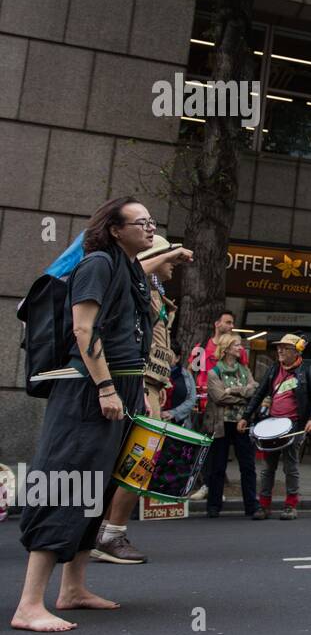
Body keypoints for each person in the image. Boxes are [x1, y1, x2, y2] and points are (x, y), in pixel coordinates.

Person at [12, 197, 156, 632]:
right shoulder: (97, 263)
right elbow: (83, 329)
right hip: (89, 390)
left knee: (96, 488)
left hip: (121, 387)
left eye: (152, 222)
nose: (150, 228)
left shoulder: (129, 267)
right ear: (115, 228)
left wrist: (136, 391)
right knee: (65, 481)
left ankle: (72, 589)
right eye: (142, 222)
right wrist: (108, 387)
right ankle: (28, 605)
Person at [90, 233, 191, 566]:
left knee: (134, 462)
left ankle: (101, 531)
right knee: (140, 462)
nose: (174, 266)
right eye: (169, 259)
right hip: (138, 386)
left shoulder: (156, 291)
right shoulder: (137, 286)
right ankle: (110, 533)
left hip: (150, 385)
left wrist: (159, 383)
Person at [237, 334, 311, 521]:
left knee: (290, 468)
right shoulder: (274, 368)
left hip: (294, 426)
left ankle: (290, 506)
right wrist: (246, 416)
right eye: (279, 348)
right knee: (267, 468)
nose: (280, 351)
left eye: (285, 348)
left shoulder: (307, 371)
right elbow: (259, 394)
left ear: (296, 351)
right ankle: (264, 506)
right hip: (271, 425)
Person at [202, 333, 259, 517]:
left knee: (248, 466)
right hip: (221, 423)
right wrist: (243, 397)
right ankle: (213, 505)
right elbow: (219, 397)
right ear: (226, 349)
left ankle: (251, 505)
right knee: (217, 466)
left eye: (240, 345)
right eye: (236, 345)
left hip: (242, 423)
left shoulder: (245, 370)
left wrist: (233, 390)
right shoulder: (214, 372)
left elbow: (254, 389)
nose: (239, 348)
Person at [196, 311, 246, 414]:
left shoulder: (239, 350)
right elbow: (190, 371)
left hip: (227, 404)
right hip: (203, 403)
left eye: (232, 323)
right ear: (217, 324)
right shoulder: (202, 347)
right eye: (228, 322)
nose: (232, 326)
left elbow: (244, 376)